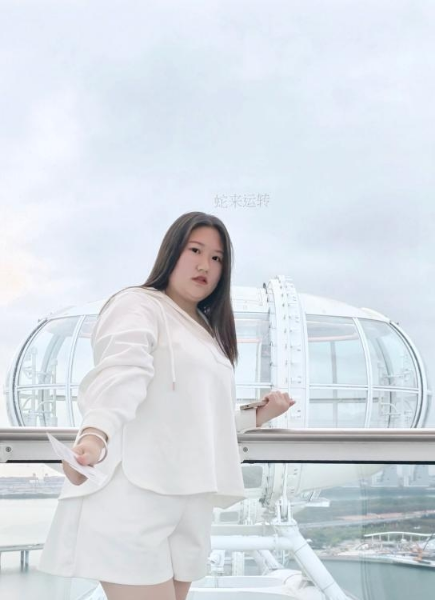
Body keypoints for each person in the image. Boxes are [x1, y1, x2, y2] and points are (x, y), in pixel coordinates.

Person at [38, 211, 295, 600]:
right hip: (135, 496)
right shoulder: (139, 305)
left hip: (190, 499)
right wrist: (95, 435)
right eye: (195, 250)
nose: (205, 265)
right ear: (171, 252)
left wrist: (258, 415)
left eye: (217, 258)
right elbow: (123, 371)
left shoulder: (209, 332)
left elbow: (196, 416)